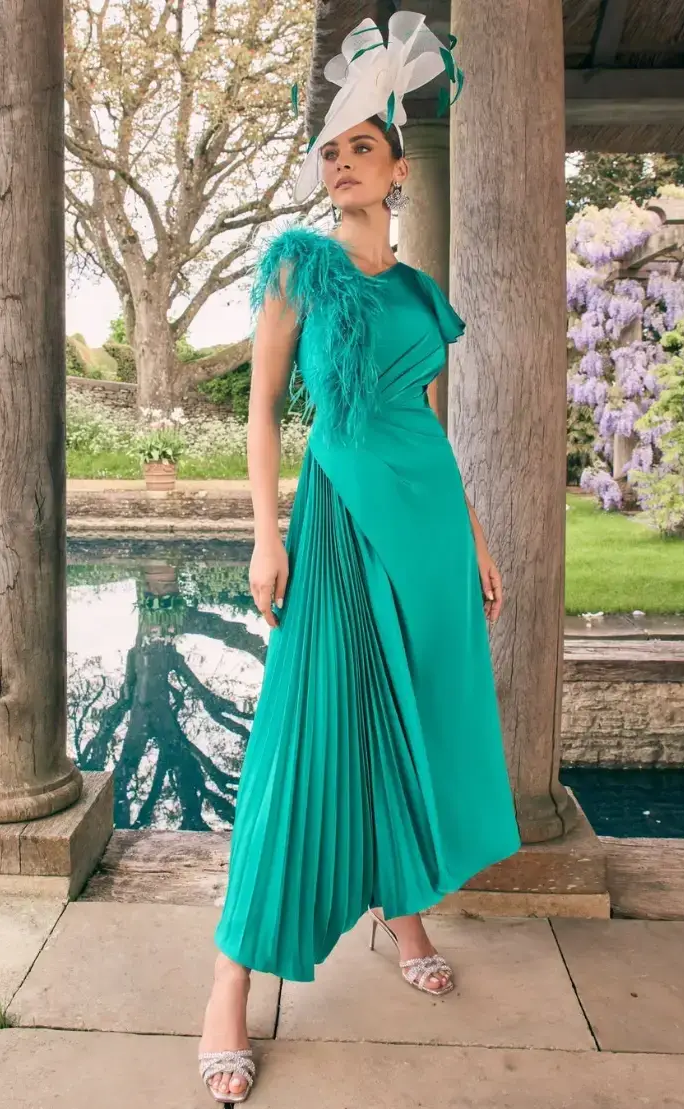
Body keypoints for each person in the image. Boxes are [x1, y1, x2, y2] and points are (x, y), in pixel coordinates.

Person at [198, 12, 521, 1103]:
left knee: (414, 715)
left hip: (426, 523)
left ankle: (408, 909)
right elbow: (260, 413)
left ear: (393, 166)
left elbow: (432, 422)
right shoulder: (298, 267)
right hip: (337, 519)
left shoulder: (416, 289)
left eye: (359, 148)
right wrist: (263, 528)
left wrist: (473, 536)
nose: (340, 163)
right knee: (303, 734)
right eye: (327, 150)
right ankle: (228, 983)